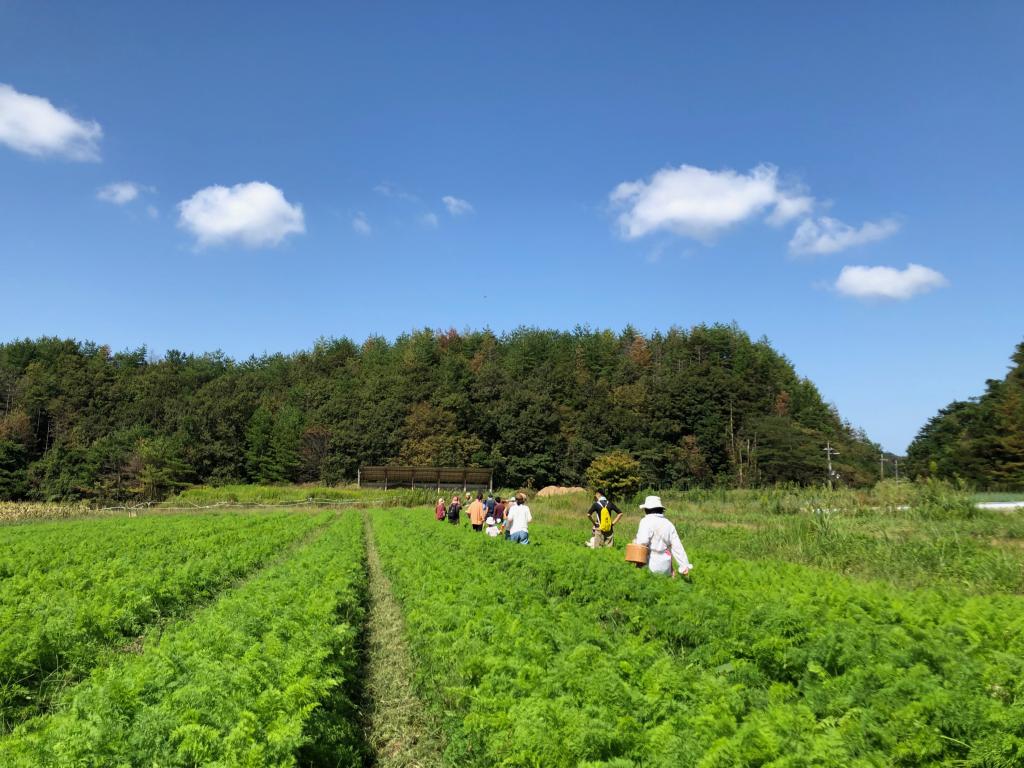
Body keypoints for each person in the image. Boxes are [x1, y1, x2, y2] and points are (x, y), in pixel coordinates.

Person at [632, 495, 692, 577]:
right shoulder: (668, 523)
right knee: (664, 586)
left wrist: (635, 542)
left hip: (650, 563)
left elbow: (642, 542)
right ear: (661, 510)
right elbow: (677, 547)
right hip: (665, 564)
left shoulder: (645, 521)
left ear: (647, 509)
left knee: (650, 585)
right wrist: (684, 565)